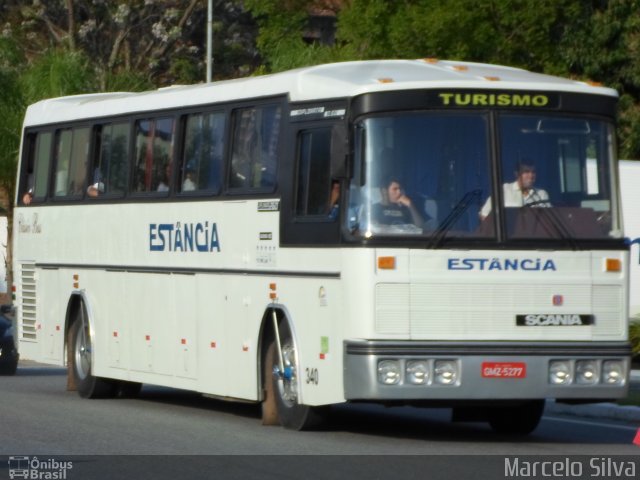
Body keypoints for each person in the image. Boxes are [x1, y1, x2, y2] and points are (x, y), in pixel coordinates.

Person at [480, 161, 550, 219]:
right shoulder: (503, 190)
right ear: (517, 174)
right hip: (508, 235)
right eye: (526, 172)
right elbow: (484, 214)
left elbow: (548, 219)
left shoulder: (542, 194)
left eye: (533, 172)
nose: (531, 175)